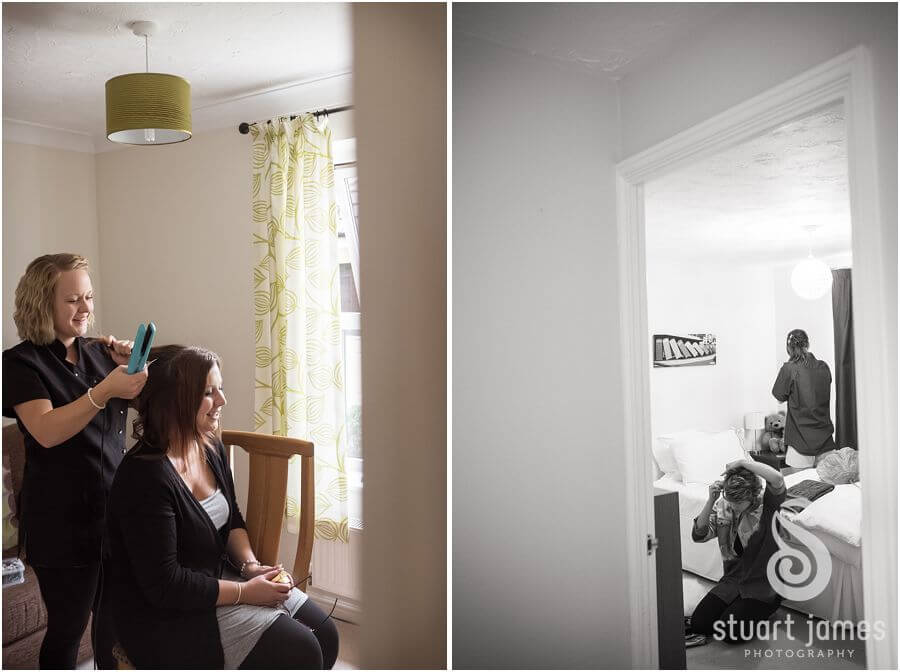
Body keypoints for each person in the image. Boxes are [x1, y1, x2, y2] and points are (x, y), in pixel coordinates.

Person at [106, 345, 339, 669]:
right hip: (165, 618)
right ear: (175, 403)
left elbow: (232, 521)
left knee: (326, 635)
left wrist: (251, 567)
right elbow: (166, 586)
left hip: (215, 579)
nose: (222, 401)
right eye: (208, 393)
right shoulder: (144, 477)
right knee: (302, 650)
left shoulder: (208, 444)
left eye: (221, 389)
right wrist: (246, 594)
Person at [2, 253, 149, 669]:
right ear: (41, 304)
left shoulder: (99, 352)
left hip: (113, 511)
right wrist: (103, 390)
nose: (86, 309)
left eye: (89, 297)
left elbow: (142, 404)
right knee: (67, 630)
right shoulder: (18, 364)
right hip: (60, 525)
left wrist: (131, 369)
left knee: (113, 622)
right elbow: (46, 431)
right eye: (73, 300)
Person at [689, 459, 786, 644]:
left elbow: (777, 479)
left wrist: (743, 462)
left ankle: (765, 612)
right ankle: (739, 609)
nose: (733, 506)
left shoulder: (768, 508)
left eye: (739, 502)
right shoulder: (726, 507)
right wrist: (711, 500)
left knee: (730, 633)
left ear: (753, 495)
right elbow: (698, 535)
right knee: (699, 624)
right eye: (731, 501)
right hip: (733, 581)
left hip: (763, 586)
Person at [772, 329, 836, 468]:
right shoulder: (824, 367)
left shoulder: (789, 369)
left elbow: (779, 398)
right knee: (830, 488)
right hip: (826, 442)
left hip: (800, 444)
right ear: (807, 344)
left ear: (789, 348)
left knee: (800, 489)